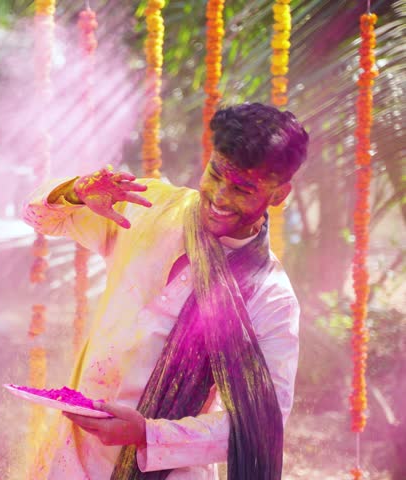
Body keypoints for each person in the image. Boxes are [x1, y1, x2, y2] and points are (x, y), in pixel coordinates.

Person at [23, 103, 309, 479]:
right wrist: (75, 192)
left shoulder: (269, 297)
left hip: (167, 471)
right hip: (69, 459)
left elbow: (262, 425)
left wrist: (149, 435)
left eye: (242, 188)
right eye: (216, 174)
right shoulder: (150, 206)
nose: (221, 197)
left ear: (279, 194)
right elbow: (37, 216)